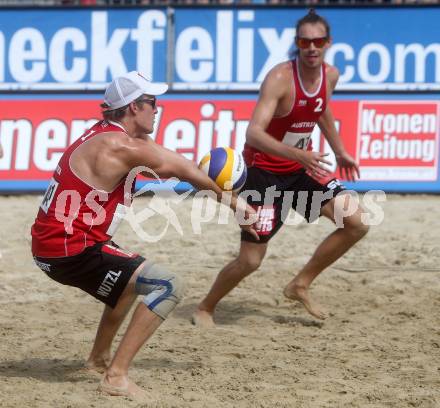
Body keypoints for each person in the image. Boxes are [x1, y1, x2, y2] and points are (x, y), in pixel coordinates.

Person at [31, 71, 257, 400]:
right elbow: (181, 169)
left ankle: (98, 360)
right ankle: (116, 377)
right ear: (134, 107)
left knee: (127, 285)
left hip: (56, 245)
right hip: (70, 249)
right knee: (168, 285)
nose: (158, 108)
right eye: (153, 102)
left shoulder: (114, 136)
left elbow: (175, 164)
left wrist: (214, 187)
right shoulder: (118, 145)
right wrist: (237, 205)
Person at [192, 9, 369, 328]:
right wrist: (297, 154)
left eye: (318, 41)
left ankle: (300, 284)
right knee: (250, 261)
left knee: (356, 222)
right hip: (264, 177)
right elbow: (253, 133)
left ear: (328, 42)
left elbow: (321, 109)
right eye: (305, 41)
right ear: (297, 43)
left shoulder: (330, 75)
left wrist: (340, 151)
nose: (311, 47)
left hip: (300, 173)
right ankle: (205, 306)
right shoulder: (279, 78)